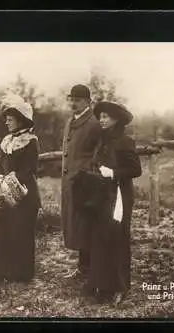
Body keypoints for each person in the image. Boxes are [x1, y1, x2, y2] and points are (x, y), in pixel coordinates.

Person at [84, 101, 142, 304]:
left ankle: (121, 287)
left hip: (119, 197)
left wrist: (114, 173)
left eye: (105, 117)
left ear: (116, 119)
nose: (101, 120)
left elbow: (136, 170)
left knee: (118, 240)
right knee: (101, 239)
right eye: (100, 117)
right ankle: (103, 286)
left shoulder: (125, 141)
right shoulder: (102, 140)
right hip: (101, 195)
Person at [0, 94, 41, 284]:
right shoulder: (6, 141)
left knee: (21, 232)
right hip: (4, 193)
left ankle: (21, 274)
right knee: (3, 231)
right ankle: (0, 272)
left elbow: (29, 169)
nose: (7, 123)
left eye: (10, 120)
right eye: (6, 120)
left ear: (20, 120)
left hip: (24, 193)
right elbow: (0, 163)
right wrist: (0, 182)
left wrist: (12, 183)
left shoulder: (30, 141)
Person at [61, 84, 102, 288]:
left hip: (85, 182)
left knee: (85, 224)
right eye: (71, 99)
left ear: (87, 102)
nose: (72, 103)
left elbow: (96, 154)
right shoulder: (70, 121)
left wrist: (84, 174)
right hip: (70, 182)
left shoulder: (93, 123)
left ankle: (90, 268)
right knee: (75, 224)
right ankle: (82, 267)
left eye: (77, 100)